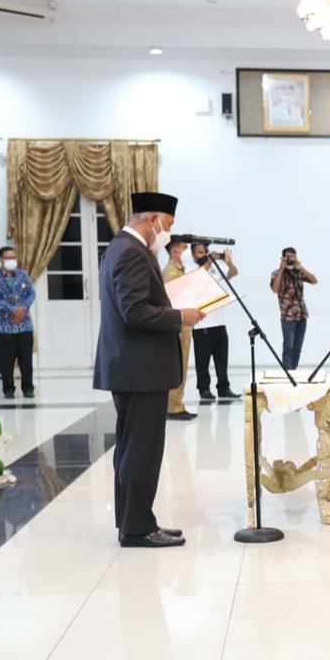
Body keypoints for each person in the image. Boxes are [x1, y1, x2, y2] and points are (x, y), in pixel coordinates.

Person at [93, 192, 205, 548]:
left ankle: (132, 521)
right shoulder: (131, 252)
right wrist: (180, 316)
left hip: (132, 366)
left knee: (131, 449)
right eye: (167, 226)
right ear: (153, 218)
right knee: (142, 451)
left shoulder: (122, 247)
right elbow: (134, 311)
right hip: (139, 368)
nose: (168, 234)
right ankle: (138, 528)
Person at [189, 243, 240, 403]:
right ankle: (204, 389)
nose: (203, 254)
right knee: (202, 361)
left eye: (205, 251)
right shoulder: (190, 268)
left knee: (221, 358)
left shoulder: (214, 268)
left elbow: (233, 273)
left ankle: (224, 388)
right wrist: (208, 262)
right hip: (201, 324)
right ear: (193, 254)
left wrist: (229, 262)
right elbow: (196, 278)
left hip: (219, 322)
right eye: (200, 252)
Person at [0, 245, 35, 399]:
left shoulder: (23, 275)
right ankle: (8, 390)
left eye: (14, 257)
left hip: (24, 326)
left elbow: (31, 294)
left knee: (26, 360)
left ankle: (28, 389)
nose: (12, 260)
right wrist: (13, 310)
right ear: (1, 259)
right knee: (6, 362)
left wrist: (22, 310)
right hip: (4, 327)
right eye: (8, 258)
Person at [160, 237, 195, 421]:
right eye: (184, 248)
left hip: (184, 324)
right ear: (175, 251)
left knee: (182, 366)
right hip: (178, 325)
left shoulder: (180, 270)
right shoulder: (171, 273)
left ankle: (177, 403)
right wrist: (176, 328)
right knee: (178, 367)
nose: (188, 251)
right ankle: (173, 407)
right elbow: (172, 303)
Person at [269, 247, 317, 370]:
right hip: (287, 316)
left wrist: (301, 268)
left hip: (301, 315)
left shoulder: (299, 272)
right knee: (288, 347)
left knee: (297, 348)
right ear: (282, 258)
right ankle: (287, 373)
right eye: (287, 257)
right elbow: (275, 289)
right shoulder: (276, 273)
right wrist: (281, 268)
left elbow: (314, 280)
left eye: (292, 257)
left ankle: (293, 371)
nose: (290, 260)